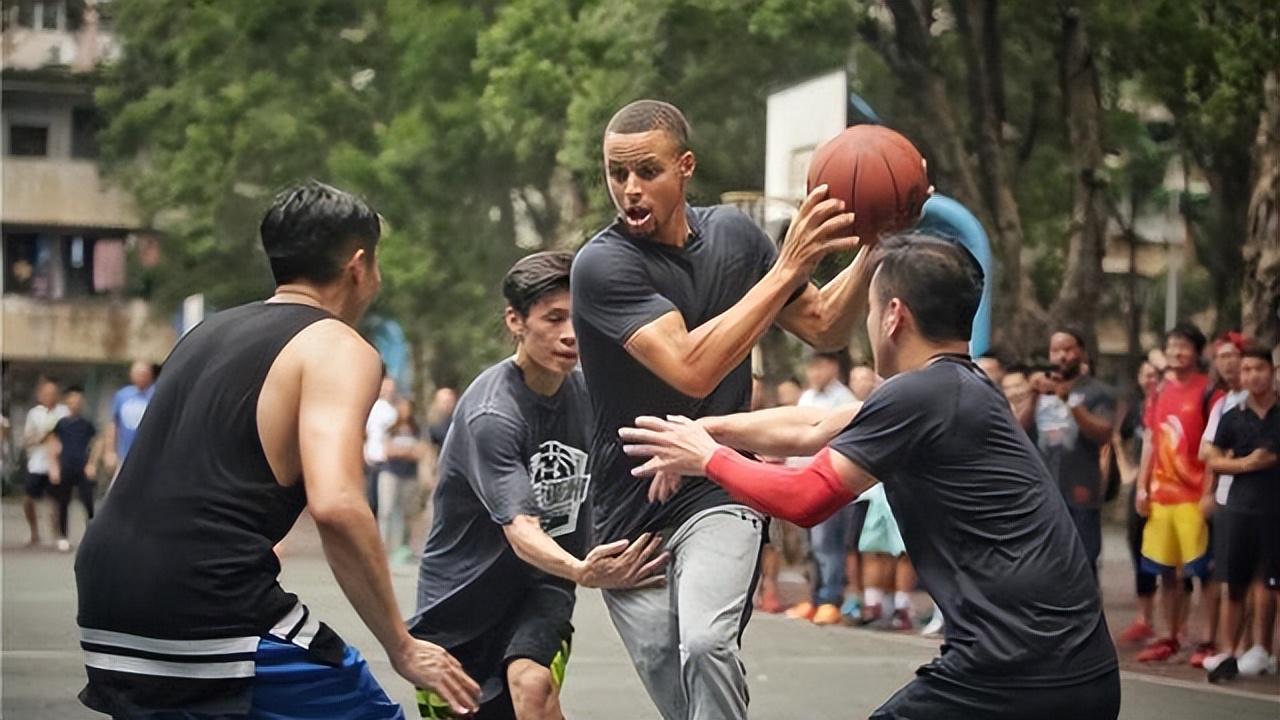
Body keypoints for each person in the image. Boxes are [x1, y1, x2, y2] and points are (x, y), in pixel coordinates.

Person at [621, 233, 1120, 719]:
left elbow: (805, 498)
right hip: (1078, 668)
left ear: (894, 315)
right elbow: (812, 425)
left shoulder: (918, 396)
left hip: (1014, 670)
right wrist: (700, 431)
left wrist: (709, 459)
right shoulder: (960, 387)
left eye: (868, 310)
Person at [74, 181, 479, 718]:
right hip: (205, 603)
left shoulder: (206, 334)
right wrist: (401, 646)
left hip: (106, 603)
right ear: (360, 266)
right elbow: (335, 503)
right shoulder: (337, 346)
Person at [570, 98, 871, 720]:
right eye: (615, 173)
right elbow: (691, 367)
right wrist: (788, 266)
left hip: (716, 486)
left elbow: (824, 327)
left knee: (705, 644)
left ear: (685, 167)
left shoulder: (735, 236)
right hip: (630, 518)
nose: (629, 188)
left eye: (646, 171)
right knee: (685, 702)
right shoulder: (602, 266)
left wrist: (876, 244)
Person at [410, 251, 665, 720]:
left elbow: (654, 430)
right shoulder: (494, 414)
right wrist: (581, 569)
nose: (570, 333)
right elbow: (521, 528)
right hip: (458, 607)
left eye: (579, 317)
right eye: (553, 318)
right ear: (515, 320)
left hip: (540, 588)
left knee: (533, 685)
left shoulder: (593, 395)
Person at [1136, 322, 1216, 664]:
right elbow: (1151, 441)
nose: (1176, 352)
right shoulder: (1158, 392)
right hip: (1160, 498)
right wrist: (1141, 486)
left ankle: (1208, 641)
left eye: (1183, 346)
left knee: (1202, 573)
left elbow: (1215, 446)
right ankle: (1170, 636)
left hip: (1193, 497)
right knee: (1166, 572)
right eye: (1171, 346)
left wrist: (1209, 493)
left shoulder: (1209, 391)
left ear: (1197, 353)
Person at [1204, 344, 1279, 682]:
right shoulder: (1233, 416)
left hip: (1274, 508)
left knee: (1268, 582)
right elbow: (1212, 458)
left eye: (1259, 368)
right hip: (1237, 507)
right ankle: (1227, 651)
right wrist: (1247, 463)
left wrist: (1238, 463)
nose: (1252, 375)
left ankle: (1263, 649)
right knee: (1232, 582)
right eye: (1246, 370)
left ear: (1272, 371)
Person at [1027, 329, 1116, 572]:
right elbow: (1018, 431)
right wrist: (1033, 396)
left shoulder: (1098, 392)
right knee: (1042, 566)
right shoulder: (1040, 388)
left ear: (1082, 353)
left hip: (1080, 492)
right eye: (1056, 350)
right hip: (1042, 495)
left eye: (1068, 349)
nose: (1062, 356)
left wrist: (1071, 402)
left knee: (1082, 565)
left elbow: (1103, 433)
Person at [788, 350, 857, 626]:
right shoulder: (807, 398)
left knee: (828, 544)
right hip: (803, 479)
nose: (813, 373)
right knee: (812, 547)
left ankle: (830, 599)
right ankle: (815, 598)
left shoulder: (845, 401)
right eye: (810, 367)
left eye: (818, 367)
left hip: (832, 482)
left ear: (832, 366)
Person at [1115, 359, 1166, 645]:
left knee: (1169, 560)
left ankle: (1169, 627)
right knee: (1137, 547)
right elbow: (1118, 437)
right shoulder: (1136, 408)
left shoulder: (1169, 404)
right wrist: (1127, 469)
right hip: (1140, 486)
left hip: (1169, 489)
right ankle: (1143, 618)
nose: (1151, 379)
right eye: (1146, 374)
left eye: (1156, 375)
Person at [49, 387, 101, 552]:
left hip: (83, 467)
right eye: (72, 401)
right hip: (66, 466)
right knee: (63, 502)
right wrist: (54, 467)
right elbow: (53, 444)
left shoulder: (87, 424)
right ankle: (63, 536)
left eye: (78, 401)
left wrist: (92, 463)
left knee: (88, 502)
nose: (75, 404)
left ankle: (92, 537)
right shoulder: (61, 424)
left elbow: (98, 442)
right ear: (67, 402)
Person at [22, 378, 68, 548]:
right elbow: (27, 439)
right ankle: (34, 532)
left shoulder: (64, 412)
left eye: (53, 393)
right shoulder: (34, 413)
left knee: (54, 501)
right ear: (40, 395)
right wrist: (42, 437)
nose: (50, 396)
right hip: (37, 463)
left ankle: (57, 535)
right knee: (28, 499)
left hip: (56, 463)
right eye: (46, 393)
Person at [380, 397, 425, 564]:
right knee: (387, 511)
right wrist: (407, 451)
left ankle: (403, 547)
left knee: (408, 512)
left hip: (409, 476)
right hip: (390, 473)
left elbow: (420, 452)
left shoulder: (417, 430)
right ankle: (383, 547)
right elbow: (387, 451)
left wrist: (402, 451)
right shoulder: (391, 429)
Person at [105, 360, 155, 472]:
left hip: (149, 455)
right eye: (137, 374)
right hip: (124, 453)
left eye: (143, 374)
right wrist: (110, 451)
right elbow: (114, 425)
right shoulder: (122, 395)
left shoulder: (156, 394)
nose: (140, 377)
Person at [366, 376, 400, 516]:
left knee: (385, 503)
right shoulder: (373, 408)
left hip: (388, 460)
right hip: (371, 457)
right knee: (371, 499)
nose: (389, 390)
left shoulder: (395, 410)